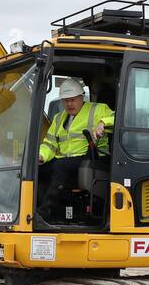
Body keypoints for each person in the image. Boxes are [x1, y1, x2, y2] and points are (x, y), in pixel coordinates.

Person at [37, 78, 113, 219]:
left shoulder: (98, 109)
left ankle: (45, 212)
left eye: (72, 100)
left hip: (92, 158)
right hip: (67, 161)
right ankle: (36, 210)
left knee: (60, 167)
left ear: (81, 97)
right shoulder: (59, 118)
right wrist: (41, 156)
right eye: (65, 100)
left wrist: (103, 123)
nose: (69, 104)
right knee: (37, 170)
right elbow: (50, 144)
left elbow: (117, 118)